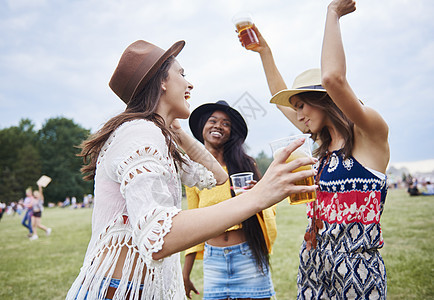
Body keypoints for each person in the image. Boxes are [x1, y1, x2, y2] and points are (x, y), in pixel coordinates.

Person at [66, 39, 317, 300]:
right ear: (161, 81)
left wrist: (182, 136)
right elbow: (158, 235)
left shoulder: (157, 136)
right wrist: (259, 196)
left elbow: (217, 177)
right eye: (182, 74)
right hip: (119, 291)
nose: (190, 83)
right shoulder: (140, 133)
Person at [238, 0, 390, 298]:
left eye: (302, 104)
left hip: (356, 268)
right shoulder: (324, 147)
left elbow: (333, 78)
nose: (299, 114)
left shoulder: (370, 133)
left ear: (324, 98)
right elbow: (279, 97)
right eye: (296, 109)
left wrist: (332, 13)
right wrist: (265, 53)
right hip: (313, 261)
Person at [183, 100, 277, 299]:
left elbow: (269, 207)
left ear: (231, 132)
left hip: (248, 257)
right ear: (202, 127)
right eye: (213, 121)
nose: (218, 126)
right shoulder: (193, 173)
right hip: (213, 261)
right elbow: (192, 224)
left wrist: (258, 195)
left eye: (226, 123)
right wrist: (185, 274)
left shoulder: (246, 164)